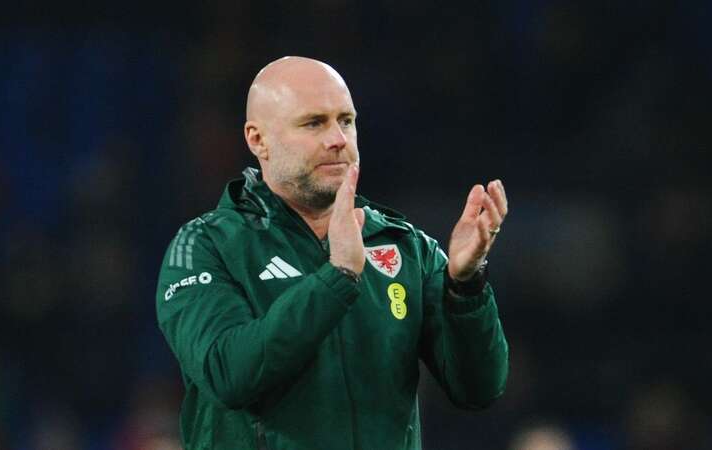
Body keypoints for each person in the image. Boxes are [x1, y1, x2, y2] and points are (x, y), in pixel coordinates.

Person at [156, 56, 509, 450]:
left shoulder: (406, 247)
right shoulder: (205, 247)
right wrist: (337, 276)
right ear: (258, 140)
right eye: (314, 123)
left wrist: (465, 286)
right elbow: (228, 374)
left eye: (346, 120)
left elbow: (479, 389)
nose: (338, 139)